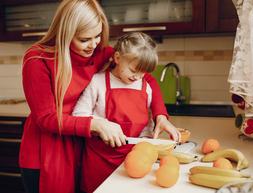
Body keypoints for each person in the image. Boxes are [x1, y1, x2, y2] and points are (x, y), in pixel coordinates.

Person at [19, 0, 181, 193]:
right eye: (84, 39)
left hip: (84, 149)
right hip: (48, 149)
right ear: (65, 33)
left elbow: (146, 78)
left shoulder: (103, 53)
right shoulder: (37, 59)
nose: (93, 44)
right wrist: (96, 124)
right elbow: (46, 119)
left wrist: (160, 116)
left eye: (97, 35)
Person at [72, 32, 174, 192]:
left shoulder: (145, 86)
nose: (139, 76)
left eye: (143, 73)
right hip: (99, 160)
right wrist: (100, 125)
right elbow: (78, 115)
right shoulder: (97, 82)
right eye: (134, 70)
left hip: (134, 159)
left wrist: (146, 137)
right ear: (118, 58)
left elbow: (147, 121)